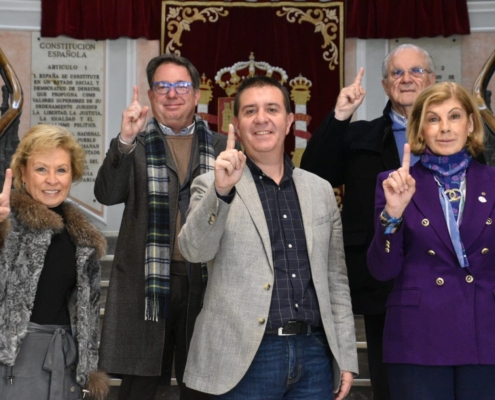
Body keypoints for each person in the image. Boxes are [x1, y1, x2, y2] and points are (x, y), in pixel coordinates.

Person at [178, 76, 358, 399]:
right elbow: (193, 250)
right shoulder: (212, 184)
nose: (261, 118)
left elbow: (336, 281)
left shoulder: (320, 190)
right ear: (236, 123)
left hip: (313, 355)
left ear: (289, 121)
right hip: (244, 357)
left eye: (272, 109)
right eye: (250, 111)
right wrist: (221, 193)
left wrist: (345, 355)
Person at [300, 44, 436, 399]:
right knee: (389, 381)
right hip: (381, 278)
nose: (406, 79)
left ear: (432, 79)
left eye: (416, 71)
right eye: (397, 73)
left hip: (445, 274)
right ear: (385, 83)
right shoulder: (359, 134)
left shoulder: (455, 133)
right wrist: (341, 114)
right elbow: (314, 173)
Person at [95, 53, 230, 400]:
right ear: (153, 95)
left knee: (200, 384)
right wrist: (123, 141)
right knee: (139, 387)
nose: (172, 94)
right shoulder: (136, 144)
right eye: (163, 86)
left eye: (181, 85)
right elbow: (107, 194)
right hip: (147, 284)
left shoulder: (220, 148)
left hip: (205, 282)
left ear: (197, 94)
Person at [367, 82, 495, 399]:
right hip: (418, 338)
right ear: (421, 129)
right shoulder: (394, 182)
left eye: (454, 116)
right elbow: (381, 270)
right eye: (433, 119)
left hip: (485, 333)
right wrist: (393, 214)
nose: (445, 128)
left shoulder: (492, 182)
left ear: (470, 123)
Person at [0, 124, 108, 399]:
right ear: (23, 173)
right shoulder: (7, 222)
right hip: (13, 364)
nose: (52, 180)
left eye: (61, 170)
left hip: (67, 363)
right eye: (41, 169)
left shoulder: (82, 237)